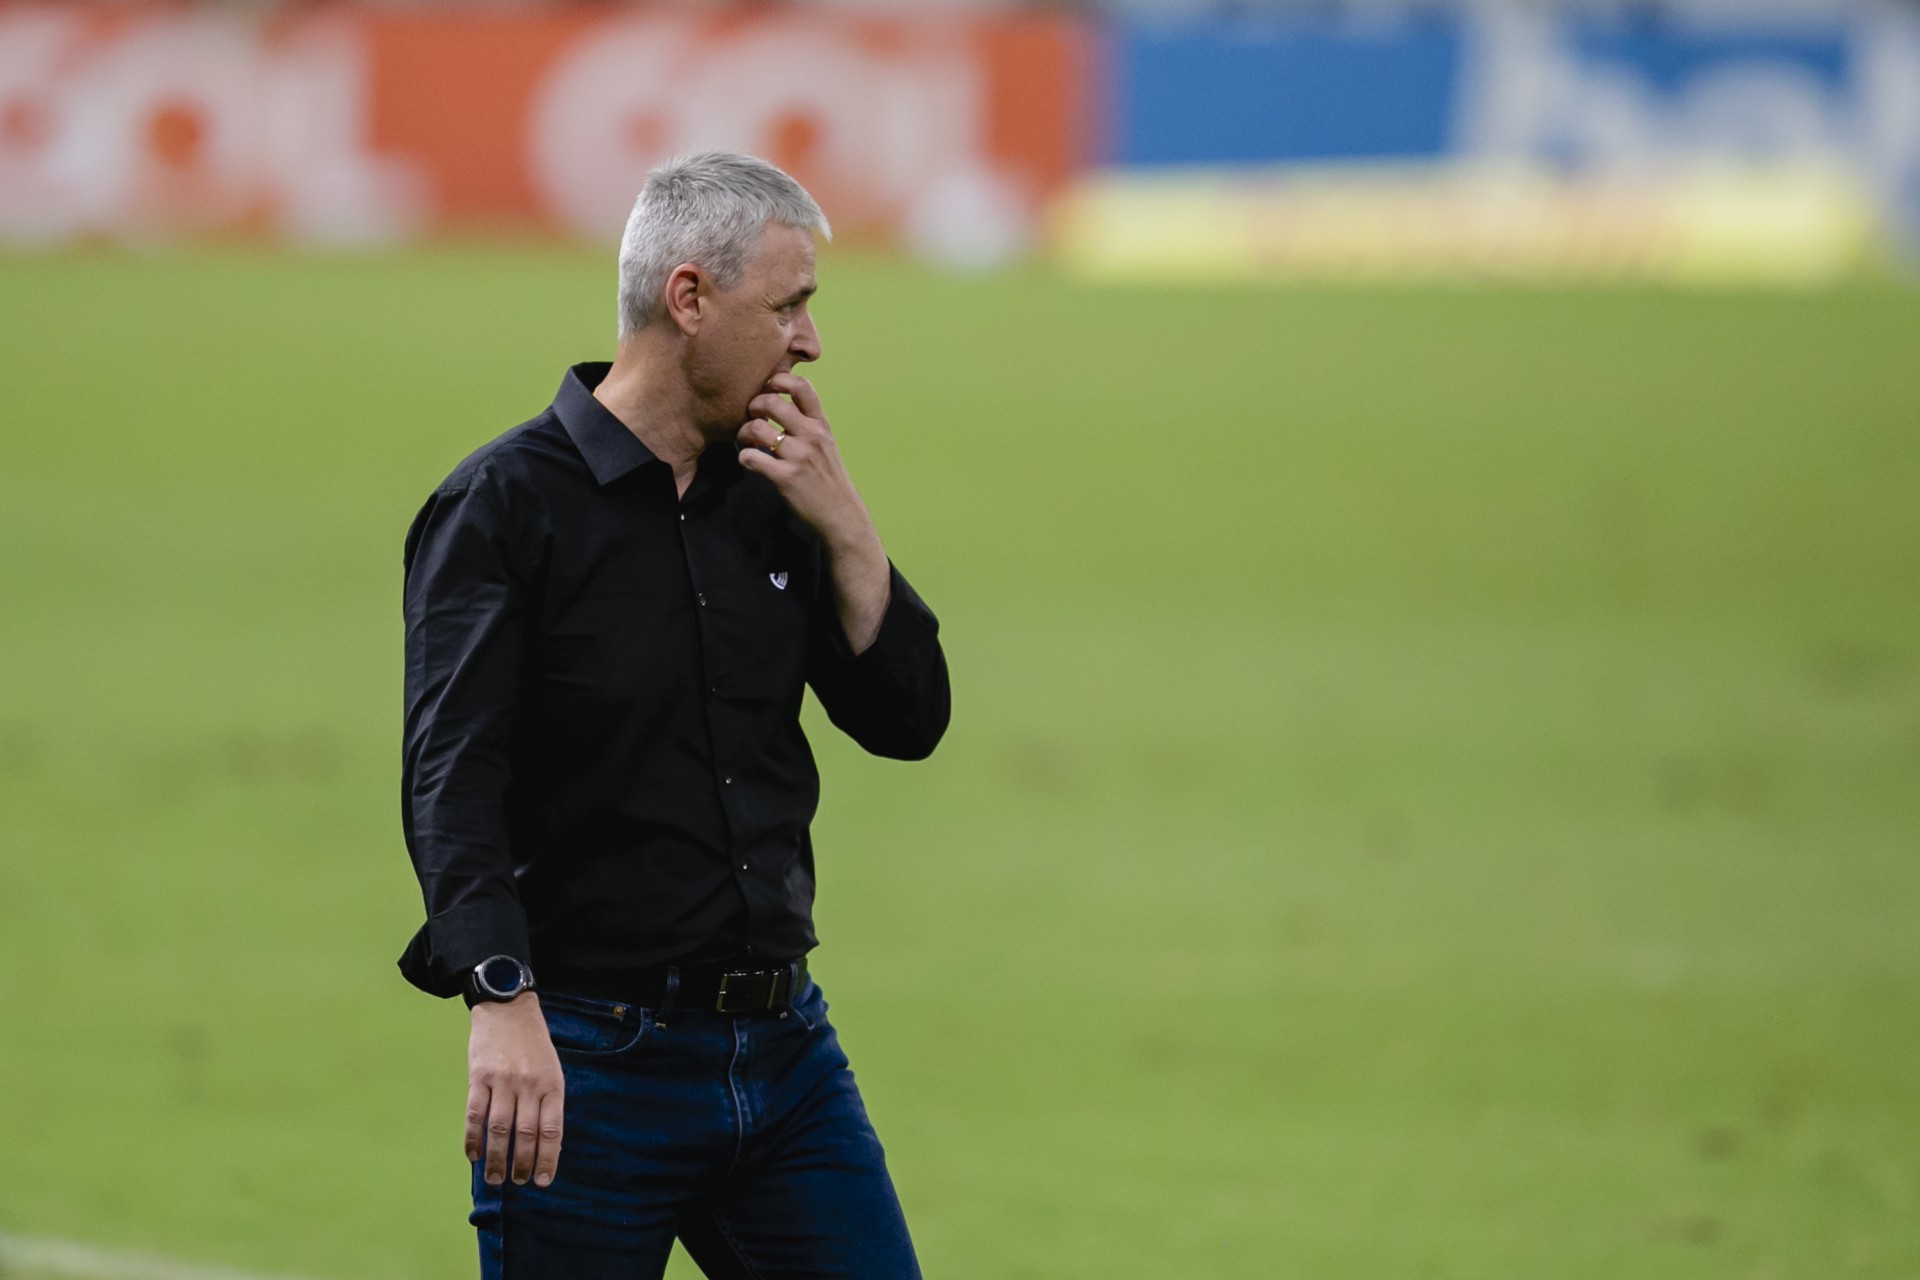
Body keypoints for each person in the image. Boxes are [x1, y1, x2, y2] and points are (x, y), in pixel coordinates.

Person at [396, 151, 950, 1278]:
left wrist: (848, 529)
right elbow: (453, 776)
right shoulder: (504, 506)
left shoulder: (778, 492)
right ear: (688, 298)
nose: (809, 339)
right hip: (588, 1067)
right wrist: (501, 997)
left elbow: (909, 718)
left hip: (786, 1056)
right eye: (788, 304)